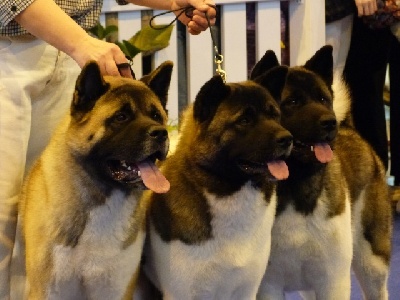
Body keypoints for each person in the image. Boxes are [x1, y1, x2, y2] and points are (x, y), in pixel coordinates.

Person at [0, 0, 216, 298]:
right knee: (2, 216)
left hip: (70, 57)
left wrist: (171, 2)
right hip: (10, 51)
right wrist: (79, 43)